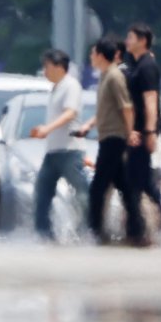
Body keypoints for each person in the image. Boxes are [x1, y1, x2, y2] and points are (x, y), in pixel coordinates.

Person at [78, 37, 143, 245]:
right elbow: (108, 109)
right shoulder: (105, 76)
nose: (90, 57)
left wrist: (130, 131)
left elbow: (126, 107)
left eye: (92, 53)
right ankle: (136, 230)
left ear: (99, 55)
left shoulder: (114, 76)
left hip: (115, 138)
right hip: (108, 136)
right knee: (123, 186)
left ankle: (95, 232)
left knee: (98, 187)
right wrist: (90, 125)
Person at [30, 49, 89, 240]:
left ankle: (88, 232)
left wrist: (47, 128)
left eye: (46, 66)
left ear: (58, 66)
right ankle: (44, 235)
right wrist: (44, 129)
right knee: (42, 194)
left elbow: (70, 113)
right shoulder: (56, 88)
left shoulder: (71, 85)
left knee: (81, 195)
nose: (44, 71)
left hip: (70, 151)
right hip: (53, 150)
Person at [124, 24, 161, 216]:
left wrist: (150, 132)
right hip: (136, 132)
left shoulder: (147, 66)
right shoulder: (137, 64)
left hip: (141, 132)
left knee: (138, 181)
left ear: (142, 41)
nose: (127, 41)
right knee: (142, 180)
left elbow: (151, 100)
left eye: (131, 37)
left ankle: (146, 225)